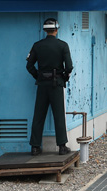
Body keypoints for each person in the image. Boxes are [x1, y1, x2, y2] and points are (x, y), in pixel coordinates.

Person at [26, 18, 73, 156]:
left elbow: (29, 66)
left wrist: (38, 76)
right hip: (56, 83)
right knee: (58, 115)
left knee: (38, 115)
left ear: (45, 30)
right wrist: (62, 77)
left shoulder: (37, 45)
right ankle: (62, 147)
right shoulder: (63, 45)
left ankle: (35, 147)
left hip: (42, 84)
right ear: (56, 30)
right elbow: (69, 67)